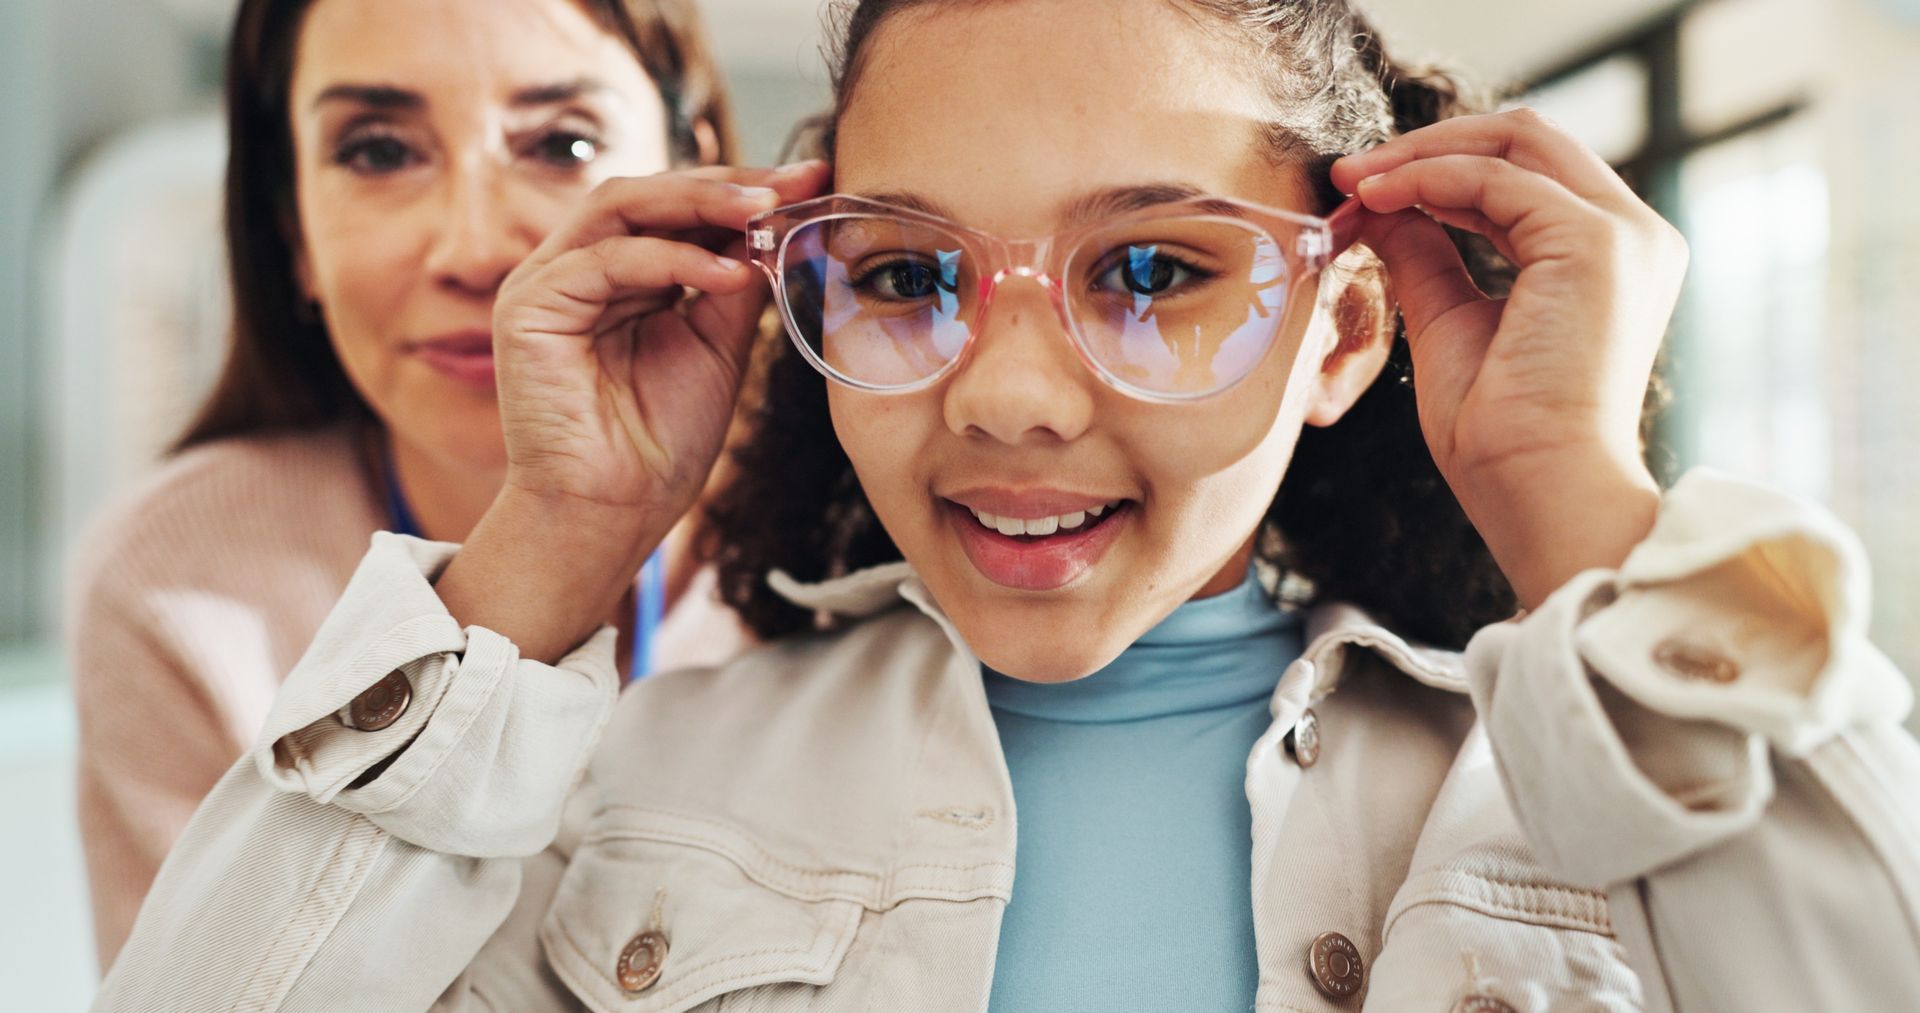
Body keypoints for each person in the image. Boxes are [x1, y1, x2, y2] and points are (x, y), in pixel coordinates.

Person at [97, 0, 1920, 1008]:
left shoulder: (1587, 804)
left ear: (1345, 325)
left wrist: (1573, 498)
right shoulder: (631, 783)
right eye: (903, 277)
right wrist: (547, 548)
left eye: (1154, 265)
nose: (1016, 393)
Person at [67, 0, 751, 971]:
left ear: (698, 177)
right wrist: (549, 539)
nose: (474, 252)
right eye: (380, 153)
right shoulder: (178, 580)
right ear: (291, 229)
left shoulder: (869, 544)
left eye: (562, 141)